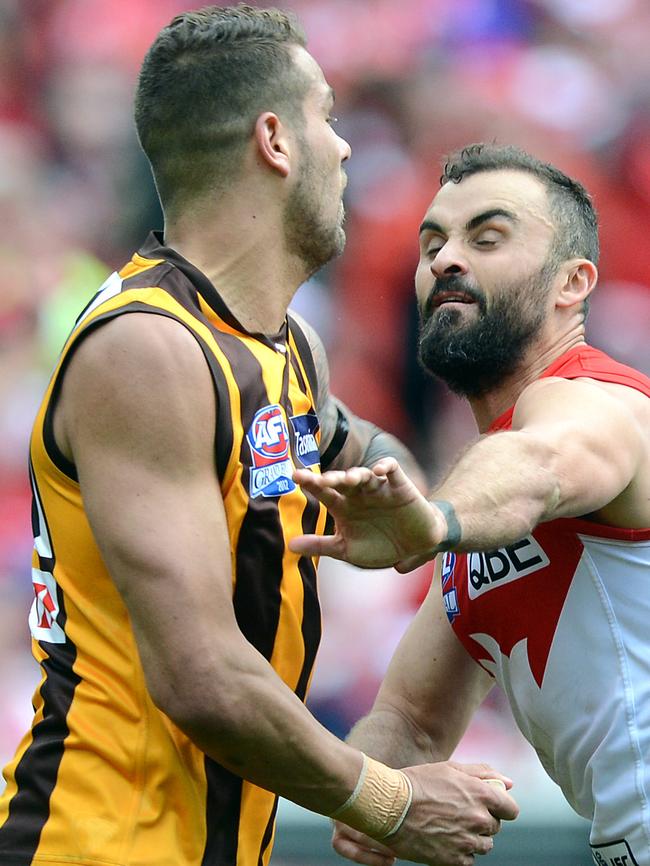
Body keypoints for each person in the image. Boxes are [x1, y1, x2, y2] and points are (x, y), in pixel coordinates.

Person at [0, 12, 519, 866]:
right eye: (327, 116)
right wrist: (390, 799)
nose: (346, 150)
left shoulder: (284, 348)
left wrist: (411, 506)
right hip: (99, 845)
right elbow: (200, 675)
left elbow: (366, 448)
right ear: (275, 140)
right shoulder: (146, 349)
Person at [291, 142, 650, 866]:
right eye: (433, 242)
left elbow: (541, 462)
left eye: (487, 238)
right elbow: (407, 723)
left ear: (572, 283)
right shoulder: (471, 533)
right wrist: (373, 799)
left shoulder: (600, 404)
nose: (444, 261)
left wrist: (434, 520)